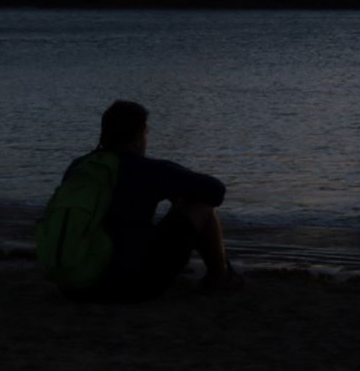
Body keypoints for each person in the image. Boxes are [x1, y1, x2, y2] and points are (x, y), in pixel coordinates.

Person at [54, 100, 244, 300]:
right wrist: (179, 192)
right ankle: (219, 276)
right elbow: (216, 191)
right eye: (146, 133)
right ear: (138, 136)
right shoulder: (146, 169)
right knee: (200, 206)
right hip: (127, 286)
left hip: (72, 285)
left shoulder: (78, 166)